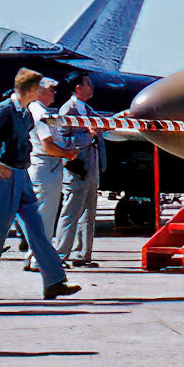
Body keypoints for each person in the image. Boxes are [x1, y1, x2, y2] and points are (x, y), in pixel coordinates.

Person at [0, 69, 80, 300]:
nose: (43, 93)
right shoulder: (5, 111)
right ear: (29, 89)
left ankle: (54, 281)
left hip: (22, 176)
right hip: (6, 178)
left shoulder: (23, 113)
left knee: (36, 229)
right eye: (39, 88)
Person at [23, 77, 80, 272]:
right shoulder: (40, 113)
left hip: (42, 165)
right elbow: (47, 144)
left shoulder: (35, 110)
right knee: (45, 216)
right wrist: (67, 153)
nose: (54, 94)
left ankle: (34, 255)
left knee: (40, 214)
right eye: (50, 90)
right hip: (46, 165)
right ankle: (38, 258)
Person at [52, 74, 104, 267]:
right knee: (71, 211)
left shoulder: (87, 110)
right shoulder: (68, 110)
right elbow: (62, 140)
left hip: (91, 164)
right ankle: (60, 254)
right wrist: (88, 137)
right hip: (77, 166)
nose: (92, 87)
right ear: (77, 88)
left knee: (88, 211)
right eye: (88, 84)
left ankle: (82, 254)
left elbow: (101, 126)